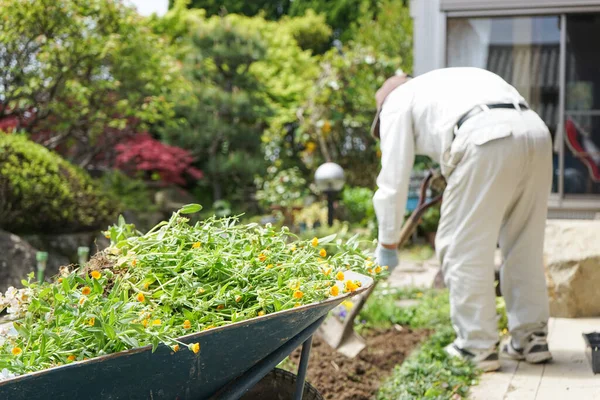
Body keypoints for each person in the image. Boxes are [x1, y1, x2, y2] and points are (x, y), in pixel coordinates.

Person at [371, 67, 553, 372]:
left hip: (484, 138)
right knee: (524, 244)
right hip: (536, 132)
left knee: (461, 247)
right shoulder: (445, 82)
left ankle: (476, 346)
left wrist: (387, 243)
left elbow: (393, 179)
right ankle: (531, 337)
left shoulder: (396, 101)